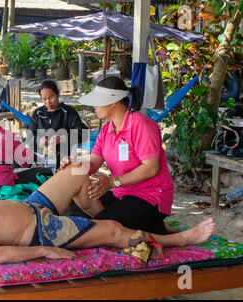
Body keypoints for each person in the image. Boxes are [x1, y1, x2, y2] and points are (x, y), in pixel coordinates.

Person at [0, 163, 215, 264]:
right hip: (44, 230)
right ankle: (181, 238)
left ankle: (94, 214)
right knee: (112, 229)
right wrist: (43, 249)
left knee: (79, 168)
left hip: (33, 206)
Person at [61, 76, 175, 235]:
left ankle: (154, 226)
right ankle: (150, 227)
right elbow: (94, 161)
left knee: (98, 226)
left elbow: (150, 168)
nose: (94, 106)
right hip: (122, 194)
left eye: (98, 101)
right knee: (75, 215)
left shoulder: (141, 124)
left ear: (114, 102)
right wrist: (76, 164)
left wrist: (113, 182)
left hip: (151, 197)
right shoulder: (107, 129)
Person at [28, 80, 89, 169]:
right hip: (40, 157)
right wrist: (39, 140)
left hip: (62, 158)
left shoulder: (68, 112)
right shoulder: (38, 114)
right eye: (44, 99)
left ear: (58, 94)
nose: (48, 102)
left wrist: (63, 138)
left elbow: (83, 133)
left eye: (51, 97)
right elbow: (30, 137)